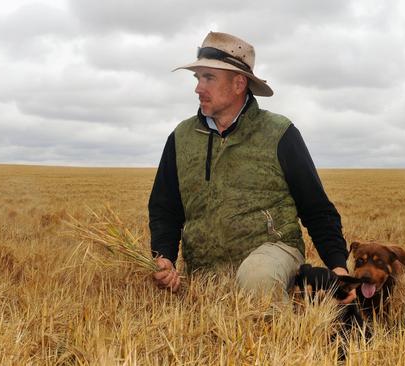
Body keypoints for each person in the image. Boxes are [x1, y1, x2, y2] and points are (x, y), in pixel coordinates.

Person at [148, 31, 355, 303]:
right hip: (206, 272)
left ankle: (286, 330)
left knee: (257, 278)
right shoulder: (181, 137)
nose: (198, 88)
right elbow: (165, 208)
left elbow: (316, 208)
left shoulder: (280, 133)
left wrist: (338, 267)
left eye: (209, 78)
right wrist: (164, 258)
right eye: (198, 78)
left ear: (239, 83)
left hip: (274, 254)